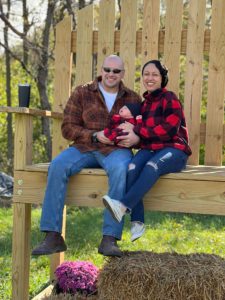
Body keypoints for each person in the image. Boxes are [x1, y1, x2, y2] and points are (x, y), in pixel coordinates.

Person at [31, 54, 141, 257]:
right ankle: (53, 235)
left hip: (117, 151)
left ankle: (110, 238)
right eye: (107, 69)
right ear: (101, 71)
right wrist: (94, 135)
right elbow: (67, 128)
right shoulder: (82, 92)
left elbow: (143, 131)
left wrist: (135, 138)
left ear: (122, 74)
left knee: (121, 169)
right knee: (57, 165)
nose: (111, 74)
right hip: (84, 147)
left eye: (116, 71)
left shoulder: (133, 98)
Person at [102, 60, 192, 231]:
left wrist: (136, 129)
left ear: (162, 78)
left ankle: (122, 207)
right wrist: (128, 136)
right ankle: (137, 222)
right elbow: (142, 135)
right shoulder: (143, 106)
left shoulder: (170, 98)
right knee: (132, 167)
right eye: (146, 74)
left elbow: (169, 130)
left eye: (155, 74)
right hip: (151, 149)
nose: (150, 78)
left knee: (152, 166)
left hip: (175, 150)